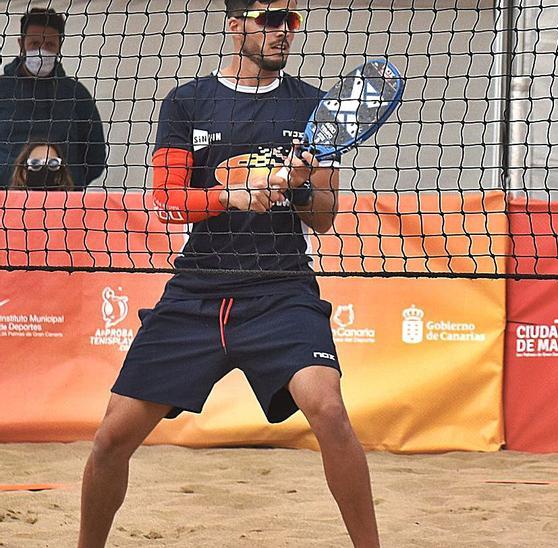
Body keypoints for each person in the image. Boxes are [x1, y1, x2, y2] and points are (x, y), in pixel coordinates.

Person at [77, 2, 378, 547]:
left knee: (329, 411)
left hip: (281, 289)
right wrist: (232, 196)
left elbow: (326, 217)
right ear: (235, 24)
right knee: (110, 441)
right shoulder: (188, 101)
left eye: (291, 22)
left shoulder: (314, 108)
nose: (283, 32)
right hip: (198, 289)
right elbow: (168, 201)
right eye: (270, 20)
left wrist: (302, 186)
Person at [0, 8, 106, 189]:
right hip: (6, 203)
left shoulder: (76, 95)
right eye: (34, 43)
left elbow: (95, 159)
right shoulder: (2, 90)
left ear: (60, 45)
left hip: (64, 205)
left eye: (49, 44)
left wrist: (68, 182)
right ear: (21, 43)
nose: (41, 51)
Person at [8, 141, 74, 190]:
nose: (44, 167)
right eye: (35, 163)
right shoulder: (9, 205)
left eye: (52, 163)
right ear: (23, 173)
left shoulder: (72, 205)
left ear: (59, 174)